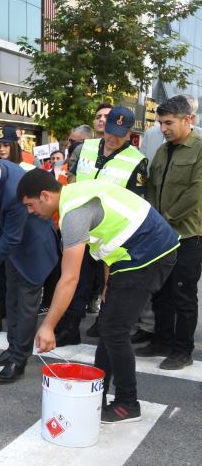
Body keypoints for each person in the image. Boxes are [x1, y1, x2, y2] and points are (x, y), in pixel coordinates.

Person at [21, 170, 178, 422]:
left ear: (44, 196)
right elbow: (111, 236)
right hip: (134, 252)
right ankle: (98, 393)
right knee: (108, 324)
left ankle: (128, 403)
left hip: (148, 253)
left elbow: (69, 278)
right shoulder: (76, 193)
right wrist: (108, 283)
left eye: (30, 205)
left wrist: (48, 326)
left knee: (115, 330)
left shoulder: (73, 214)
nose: (30, 211)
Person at [56, 106, 148, 345]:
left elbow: (135, 201)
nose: (112, 136)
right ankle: (70, 327)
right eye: (109, 130)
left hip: (111, 233)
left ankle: (106, 325)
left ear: (129, 132)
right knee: (77, 278)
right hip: (81, 227)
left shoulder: (137, 161)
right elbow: (73, 178)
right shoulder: (85, 147)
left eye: (119, 132)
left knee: (110, 283)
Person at [0, 152, 58, 383]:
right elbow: (1, 213)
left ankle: (19, 359)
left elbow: (12, 238)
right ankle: (12, 349)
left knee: (25, 307)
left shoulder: (13, 189)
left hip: (32, 249)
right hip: (15, 248)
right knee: (12, 302)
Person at [141, 95, 202, 370]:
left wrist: (167, 218)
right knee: (161, 291)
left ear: (188, 119)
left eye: (168, 123)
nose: (163, 129)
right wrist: (155, 220)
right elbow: (153, 187)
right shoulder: (164, 150)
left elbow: (196, 193)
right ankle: (162, 341)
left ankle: (182, 350)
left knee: (183, 293)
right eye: (160, 123)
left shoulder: (199, 148)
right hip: (162, 232)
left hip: (189, 234)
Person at [0, 126, 36, 338]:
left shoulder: (27, 170)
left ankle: (15, 324)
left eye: (6, 145)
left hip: (18, 235)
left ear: (15, 145)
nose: (2, 149)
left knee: (16, 282)